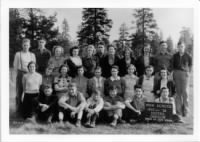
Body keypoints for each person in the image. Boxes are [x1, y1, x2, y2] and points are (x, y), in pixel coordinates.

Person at [13, 38, 36, 115]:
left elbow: (34, 65)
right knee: (19, 91)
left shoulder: (32, 55)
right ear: (22, 45)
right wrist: (18, 75)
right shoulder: (18, 54)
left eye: (27, 45)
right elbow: (15, 66)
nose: (26, 46)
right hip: (21, 73)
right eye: (24, 45)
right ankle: (19, 110)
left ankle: (28, 109)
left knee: (30, 92)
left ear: (29, 46)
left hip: (29, 74)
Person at [172, 41, 192, 117]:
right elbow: (173, 66)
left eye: (182, 46)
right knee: (178, 93)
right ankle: (179, 111)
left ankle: (186, 111)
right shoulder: (175, 56)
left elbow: (190, 65)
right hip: (177, 73)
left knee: (185, 93)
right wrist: (173, 74)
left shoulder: (188, 56)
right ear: (178, 47)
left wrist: (188, 72)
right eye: (179, 46)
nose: (181, 48)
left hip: (185, 74)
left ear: (184, 47)